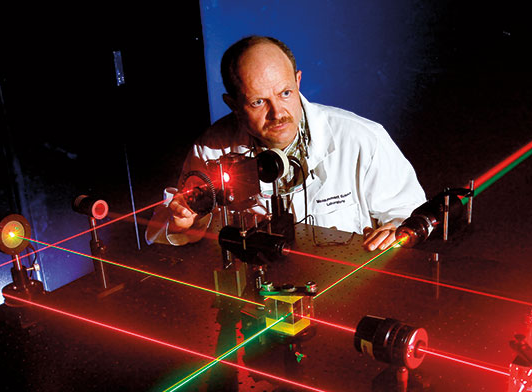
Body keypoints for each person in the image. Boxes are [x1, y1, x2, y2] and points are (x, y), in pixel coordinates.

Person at [146, 36, 426, 251]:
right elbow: (164, 228)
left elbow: (412, 215)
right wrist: (183, 223)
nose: (277, 113)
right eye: (258, 102)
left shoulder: (361, 139)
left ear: (298, 80)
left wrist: (399, 230)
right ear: (232, 104)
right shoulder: (211, 150)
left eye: (285, 93)